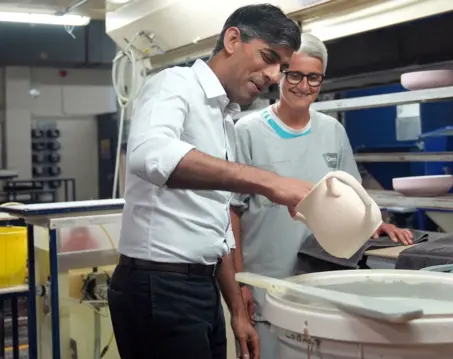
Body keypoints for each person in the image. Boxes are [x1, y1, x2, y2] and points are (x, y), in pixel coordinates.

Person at [107, 5, 312, 359]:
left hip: (200, 288)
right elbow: (150, 154)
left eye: (282, 67)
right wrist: (268, 182)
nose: (274, 75)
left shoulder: (225, 121)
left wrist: (236, 311)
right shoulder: (175, 85)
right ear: (233, 39)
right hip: (158, 287)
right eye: (268, 57)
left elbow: (219, 228)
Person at [231, 33, 414, 359]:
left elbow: (352, 198)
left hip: (324, 286)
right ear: (280, 75)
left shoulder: (333, 131)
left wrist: (376, 222)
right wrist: (239, 284)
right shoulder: (246, 132)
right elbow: (231, 213)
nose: (303, 85)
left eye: (313, 77)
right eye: (295, 75)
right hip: (265, 287)